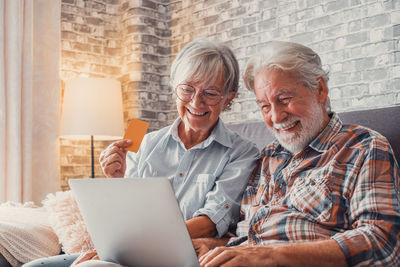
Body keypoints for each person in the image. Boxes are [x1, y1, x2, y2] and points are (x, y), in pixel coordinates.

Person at [24, 39, 259, 267]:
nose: (196, 101)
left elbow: (210, 223)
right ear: (175, 88)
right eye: (187, 89)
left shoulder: (242, 152)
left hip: (183, 255)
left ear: (229, 97)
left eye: (210, 93)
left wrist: (139, 241)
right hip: (127, 252)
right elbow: (123, 214)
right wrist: (116, 180)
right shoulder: (142, 140)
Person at [195, 41, 400, 267]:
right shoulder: (267, 158)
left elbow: (383, 243)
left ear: (320, 89)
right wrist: (210, 247)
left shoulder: (363, 147)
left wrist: (270, 256)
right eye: (264, 106)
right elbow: (247, 238)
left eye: (284, 99)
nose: (275, 117)